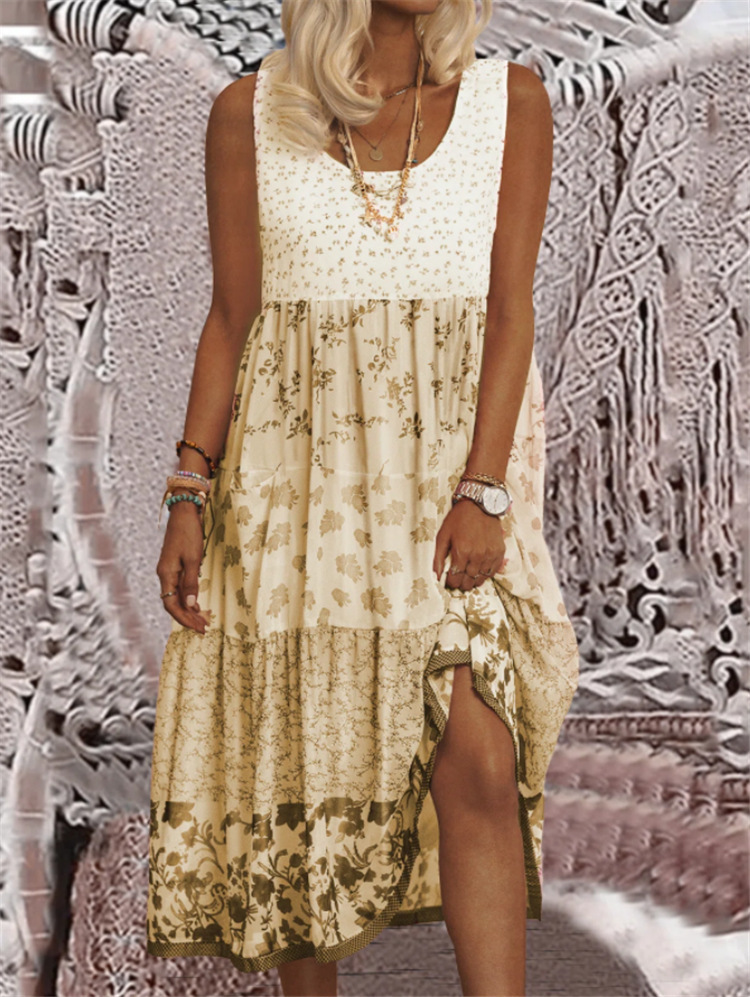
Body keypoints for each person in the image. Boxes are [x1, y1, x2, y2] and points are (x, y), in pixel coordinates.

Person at [147, 1, 580, 995]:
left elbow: (511, 313)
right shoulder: (249, 112)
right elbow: (231, 318)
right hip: (291, 495)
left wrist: (486, 488)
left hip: (447, 486)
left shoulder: (510, 103)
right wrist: (188, 489)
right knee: (301, 770)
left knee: (478, 756)